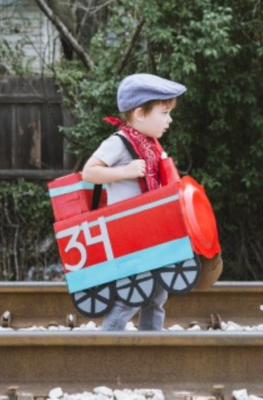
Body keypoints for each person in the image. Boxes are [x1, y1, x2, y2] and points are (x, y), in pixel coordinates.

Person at [81, 73, 187, 331]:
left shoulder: (150, 145)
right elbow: (89, 172)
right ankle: (106, 347)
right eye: (164, 112)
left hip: (152, 232)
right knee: (134, 294)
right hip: (130, 235)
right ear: (140, 113)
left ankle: (151, 345)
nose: (169, 120)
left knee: (158, 292)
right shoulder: (118, 143)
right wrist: (125, 172)